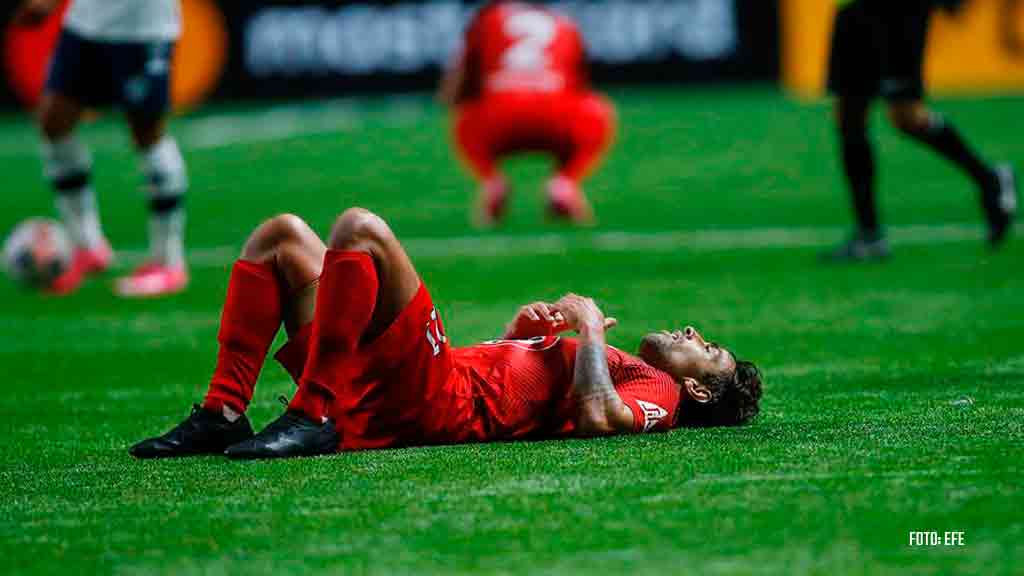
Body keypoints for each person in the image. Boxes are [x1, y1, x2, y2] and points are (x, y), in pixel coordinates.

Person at [129, 208, 762, 460]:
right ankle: (224, 410)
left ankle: (315, 410)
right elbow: (523, 389)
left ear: (700, 392)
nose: (691, 332)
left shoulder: (668, 398)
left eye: (706, 351)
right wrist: (518, 337)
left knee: (362, 231)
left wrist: (591, 328)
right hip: (426, 385)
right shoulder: (635, 366)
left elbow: (601, 418)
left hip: (435, 399)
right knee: (282, 238)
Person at [15, 0, 189, 296]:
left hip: (141, 24)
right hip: (86, 20)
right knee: (54, 121)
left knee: (146, 133)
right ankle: (87, 247)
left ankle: (168, 262)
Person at [825, 0, 1017, 261]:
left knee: (906, 114)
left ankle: (989, 178)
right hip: (853, 7)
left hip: (897, 10)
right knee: (848, 112)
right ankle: (869, 235)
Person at [439, 1, 616, 227]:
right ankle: (565, 182)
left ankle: (492, 180)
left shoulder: (488, 17)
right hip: (557, 114)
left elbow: (458, 84)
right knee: (597, 109)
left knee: (464, 115)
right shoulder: (566, 22)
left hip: (498, 118)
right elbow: (581, 82)